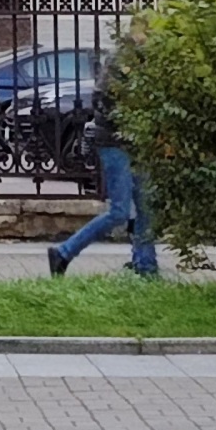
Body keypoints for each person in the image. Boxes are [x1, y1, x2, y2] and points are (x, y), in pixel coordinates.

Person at [47, 44, 158, 280]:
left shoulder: (147, 60)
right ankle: (64, 252)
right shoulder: (120, 62)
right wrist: (130, 120)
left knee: (146, 206)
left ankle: (146, 265)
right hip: (114, 142)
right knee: (119, 211)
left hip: (137, 142)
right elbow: (103, 100)